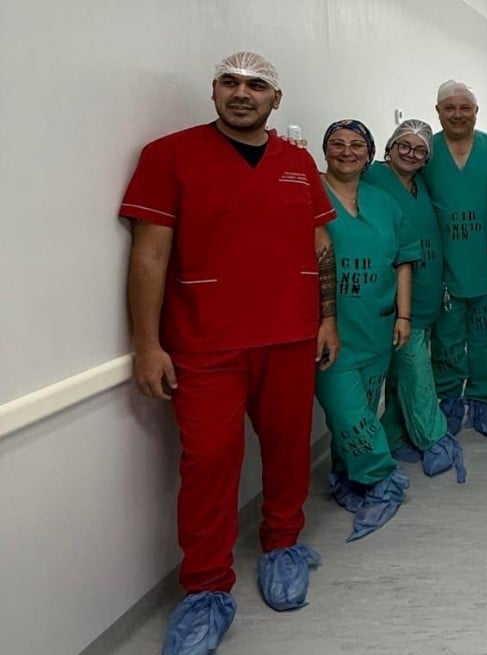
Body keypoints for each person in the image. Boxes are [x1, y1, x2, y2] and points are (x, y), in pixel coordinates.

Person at [121, 51, 331, 654]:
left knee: (289, 450)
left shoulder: (298, 164)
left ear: (276, 99)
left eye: (257, 85)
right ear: (213, 90)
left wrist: (328, 319)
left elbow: (320, 246)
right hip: (205, 342)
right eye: (230, 82)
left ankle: (283, 544)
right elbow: (149, 254)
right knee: (208, 465)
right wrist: (145, 344)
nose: (243, 93)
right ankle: (206, 588)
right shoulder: (169, 156)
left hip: (290, 335)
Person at [315, 119, 421, 542]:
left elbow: (403, 261)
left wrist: (403, 316)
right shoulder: (309, 195)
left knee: (361, 409)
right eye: (337, 144)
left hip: (377, 325)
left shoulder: (384, 202)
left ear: (370, 154)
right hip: (330, 331)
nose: (347, 151)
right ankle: (380, 479)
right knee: (349, 413)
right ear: (325, 150)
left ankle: (346, 475)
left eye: (356, 145)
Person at [365, 119, 467, 481]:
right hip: (393, 298)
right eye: (404, 146)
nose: (411, 154)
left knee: (401, 376)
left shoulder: (418, 184)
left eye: (420, 150)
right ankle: (433, 437)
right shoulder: (372, 179)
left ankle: (394, 435)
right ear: (389, 147)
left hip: (424, 294)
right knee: (416, 371)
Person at [426, 80, 487, 439]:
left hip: (485, 257)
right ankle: (449, 398)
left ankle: (483, 399)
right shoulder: (425, 151)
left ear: (476, 111)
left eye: (465, 108)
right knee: (446, 335)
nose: (457, 114)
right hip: (442, 262)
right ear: (438, 112)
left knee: (485, 335)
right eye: (450, 108)